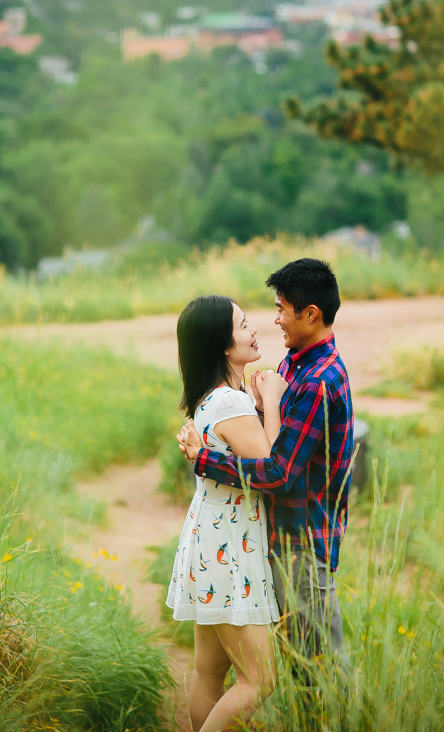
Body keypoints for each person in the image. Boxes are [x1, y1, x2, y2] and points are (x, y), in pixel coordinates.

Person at [178, 258, 355, 670]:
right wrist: (263, 408)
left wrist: (204, 458)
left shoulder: (318, 381)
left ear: (311, 314)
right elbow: (271, 445)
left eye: (281, 309)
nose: (274, 321)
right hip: (277, 539)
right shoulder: (295, 364)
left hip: (302, 544)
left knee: (322, 670)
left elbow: (277, 472)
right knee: (299, 666)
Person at [167, 294, 289, 732]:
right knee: (260, 678)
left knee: (208, 670)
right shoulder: (230, 403)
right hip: (230, 547)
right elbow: (270, 467)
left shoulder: (213, 399)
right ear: (222, 343)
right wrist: (271, 400)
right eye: (243, 325)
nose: (254, 329)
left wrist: (254, 403)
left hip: (209, 540)